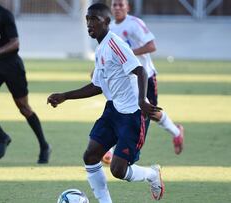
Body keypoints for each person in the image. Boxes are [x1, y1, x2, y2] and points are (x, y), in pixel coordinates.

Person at [47, 3, 164, 202]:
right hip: (113, 110)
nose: (89, 24)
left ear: (107, 22)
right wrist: (65, 95)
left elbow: (140, 71)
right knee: (91, 156)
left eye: (95, 19)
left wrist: (141, 102)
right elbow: (96, 86)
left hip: (132, 115)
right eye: (87, 19)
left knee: (118, 170)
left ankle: (152, 174)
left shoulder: (115, 44)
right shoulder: (101, 48)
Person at [102, 0, 185, 164]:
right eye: (114, 5)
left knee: (149, 112)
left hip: (145, 75)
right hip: (126, 78)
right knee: (119, 108)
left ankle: (176, 132)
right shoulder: (109, 27)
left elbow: (152, 46)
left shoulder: (135, 24)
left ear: (128, 7)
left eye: (121, 4)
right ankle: (111, 150)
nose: (117, 8)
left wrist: (128, 53)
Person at [0, 0, 51, 163]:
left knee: (24, 108)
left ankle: (44, 145)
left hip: (12, 66)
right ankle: (2, 137)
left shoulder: (5, 15)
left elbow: (15, 43)